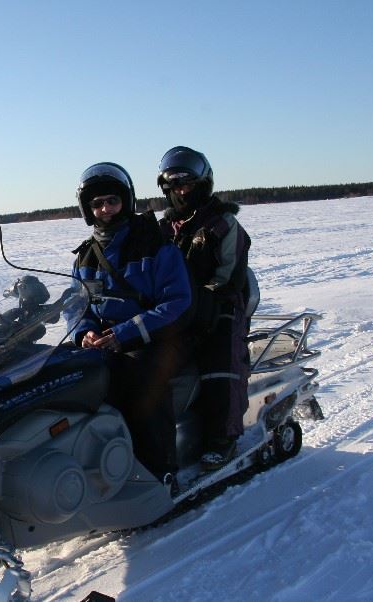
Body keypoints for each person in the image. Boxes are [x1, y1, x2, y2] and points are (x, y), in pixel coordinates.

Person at [70, 161, 193, 489]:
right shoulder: (85, 258)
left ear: (126, 201)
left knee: (142, 381)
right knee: (66, 380)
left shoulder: (154, 245)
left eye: (112, 201)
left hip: (157, 337)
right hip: (105, 342)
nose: (105, 210)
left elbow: (176, 301)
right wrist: (85, 332)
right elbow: (75, 306)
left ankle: (160, 472)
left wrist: (123, 333)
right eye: (97, 204)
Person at [156, 146, 252, 470]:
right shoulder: (162, 230)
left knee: (219, 363)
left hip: (219, 305)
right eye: (175, 186)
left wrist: (203, 299)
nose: (182, 192)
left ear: (202, 184)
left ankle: (222, 438)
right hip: (175, 309)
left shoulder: (223, 224)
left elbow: (229, 275)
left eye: (188, 185)